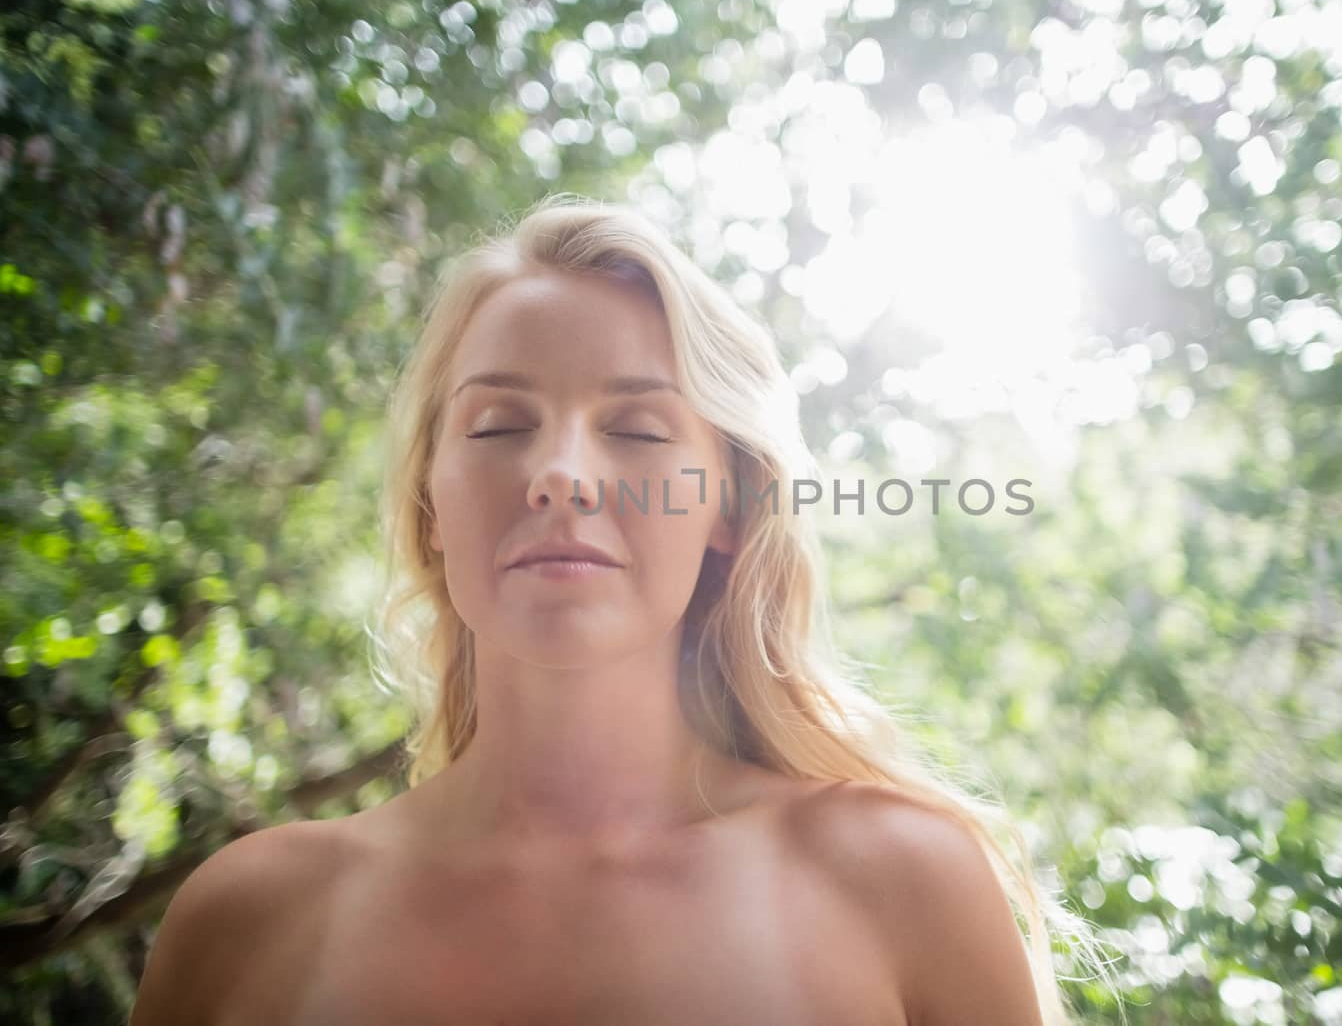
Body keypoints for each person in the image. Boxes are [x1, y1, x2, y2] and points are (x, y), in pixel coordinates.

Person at [129, 193, 1095, 1025]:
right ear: (430, 506)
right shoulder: (247, 922)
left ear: (727, 506)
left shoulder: (901, 880)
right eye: (500, 424)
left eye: (636, 428)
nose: (559, 475)